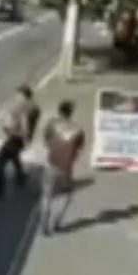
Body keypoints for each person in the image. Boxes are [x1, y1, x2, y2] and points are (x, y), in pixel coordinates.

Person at [40, 99, 84, 236]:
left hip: (51, 163)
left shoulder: (51, 124)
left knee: (47, 195)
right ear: (71, 112)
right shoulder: (77, 130)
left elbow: (46, 140)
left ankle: (44, 223)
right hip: (66, 168)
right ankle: (57, 221)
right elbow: (79, 148)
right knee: (67, 196)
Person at [0, 84, 41, 198]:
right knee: (14, 156)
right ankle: (21, 177)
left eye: (18, 95)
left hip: (17, 137)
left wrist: (23, 136)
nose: (16, 97)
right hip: (21, 137)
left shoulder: (23, 106)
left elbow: (25, 123)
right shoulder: (35, 107)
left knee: (0, 162)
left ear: (23, 95)